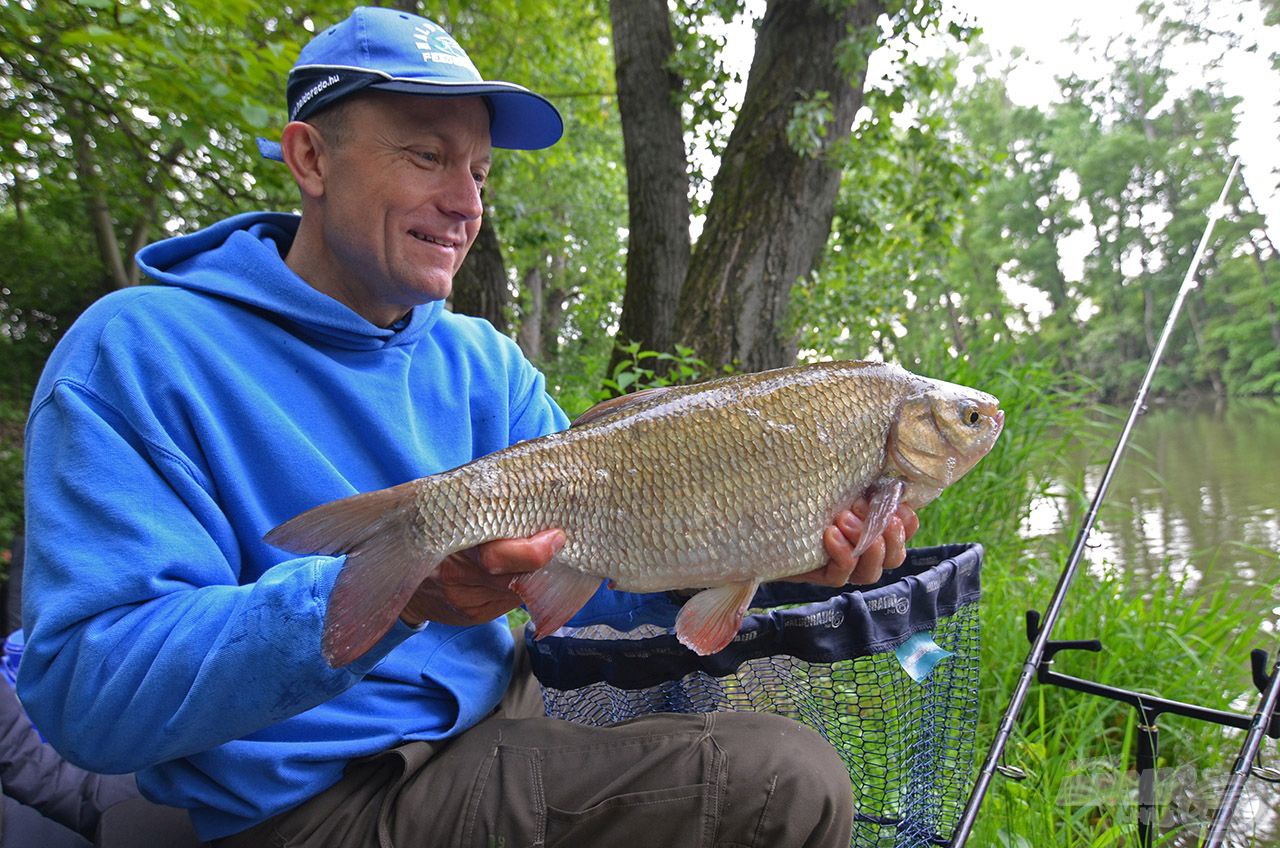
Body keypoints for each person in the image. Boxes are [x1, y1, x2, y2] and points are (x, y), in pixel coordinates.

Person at [19, 7, 918, 847]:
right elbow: (88, 693)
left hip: (498, 725)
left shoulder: (482, 363)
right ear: (311, 158)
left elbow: (594, 574)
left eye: (480, 171)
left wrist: (778, 553)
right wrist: (390, 596)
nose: (466, 202)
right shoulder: (138, 351)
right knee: (786, 780)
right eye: (425, 157)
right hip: (308, 800)